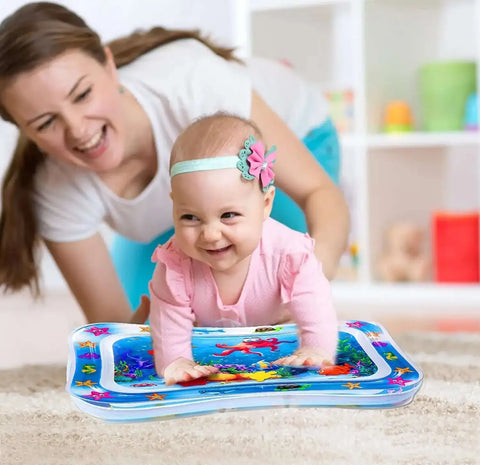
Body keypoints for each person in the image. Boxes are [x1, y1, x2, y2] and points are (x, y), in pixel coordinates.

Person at [0, 2, 349, 325]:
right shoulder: (55, 190)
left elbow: (321, 194)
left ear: (109, 66)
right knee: (160, 313)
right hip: (183, 213)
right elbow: (117, 331)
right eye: (46, 123)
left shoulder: (193, 82)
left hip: (293, 143)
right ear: (25, 130)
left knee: (256, 292)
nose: (78, 130)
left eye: (82, 94)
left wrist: (311, 282)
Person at [150, 114, 338, 385]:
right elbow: (168, 326)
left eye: (228, 215)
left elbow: (316, 308)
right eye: (190, 217)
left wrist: (315, 349)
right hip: (213, 351)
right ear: (174, 205)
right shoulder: (175, 265)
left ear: (265, 204)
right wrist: (176, 361)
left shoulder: (289, 254)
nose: (210, 235)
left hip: (277, 343)